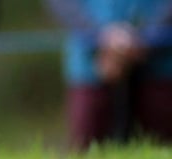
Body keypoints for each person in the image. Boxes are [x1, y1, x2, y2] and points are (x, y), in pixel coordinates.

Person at [44, 0, 172, 150]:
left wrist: (150, 36)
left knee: (163, 147)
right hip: (90, 65)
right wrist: (98, 37)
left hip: (162, 62)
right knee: (86, 149)